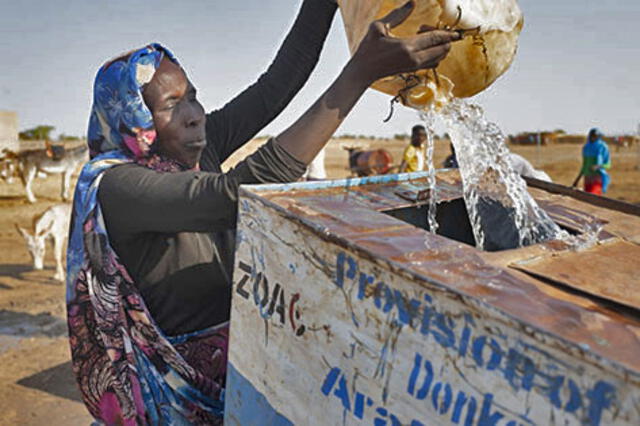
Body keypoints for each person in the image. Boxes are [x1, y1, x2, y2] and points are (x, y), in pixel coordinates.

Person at [65, 1, 461, 424]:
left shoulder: (198, 150)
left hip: (242, 376)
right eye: (170, 105)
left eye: (194, 97)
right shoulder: (117, 186)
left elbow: (279, 82)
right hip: (173, 401)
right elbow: (234, 195)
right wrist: (358, 75)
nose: (195, 116)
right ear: (131, 120)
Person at [572, 127, 611, 194]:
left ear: (598, 137)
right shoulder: (586, 148)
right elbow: (584, 166)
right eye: (591, 136)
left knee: (592, 197)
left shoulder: (602, 147)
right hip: (587, 180)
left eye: (595, 136)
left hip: (597, 179)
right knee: (587, 200)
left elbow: (608, 165)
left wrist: (598, 166)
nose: (592, 138)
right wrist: (577, 180)